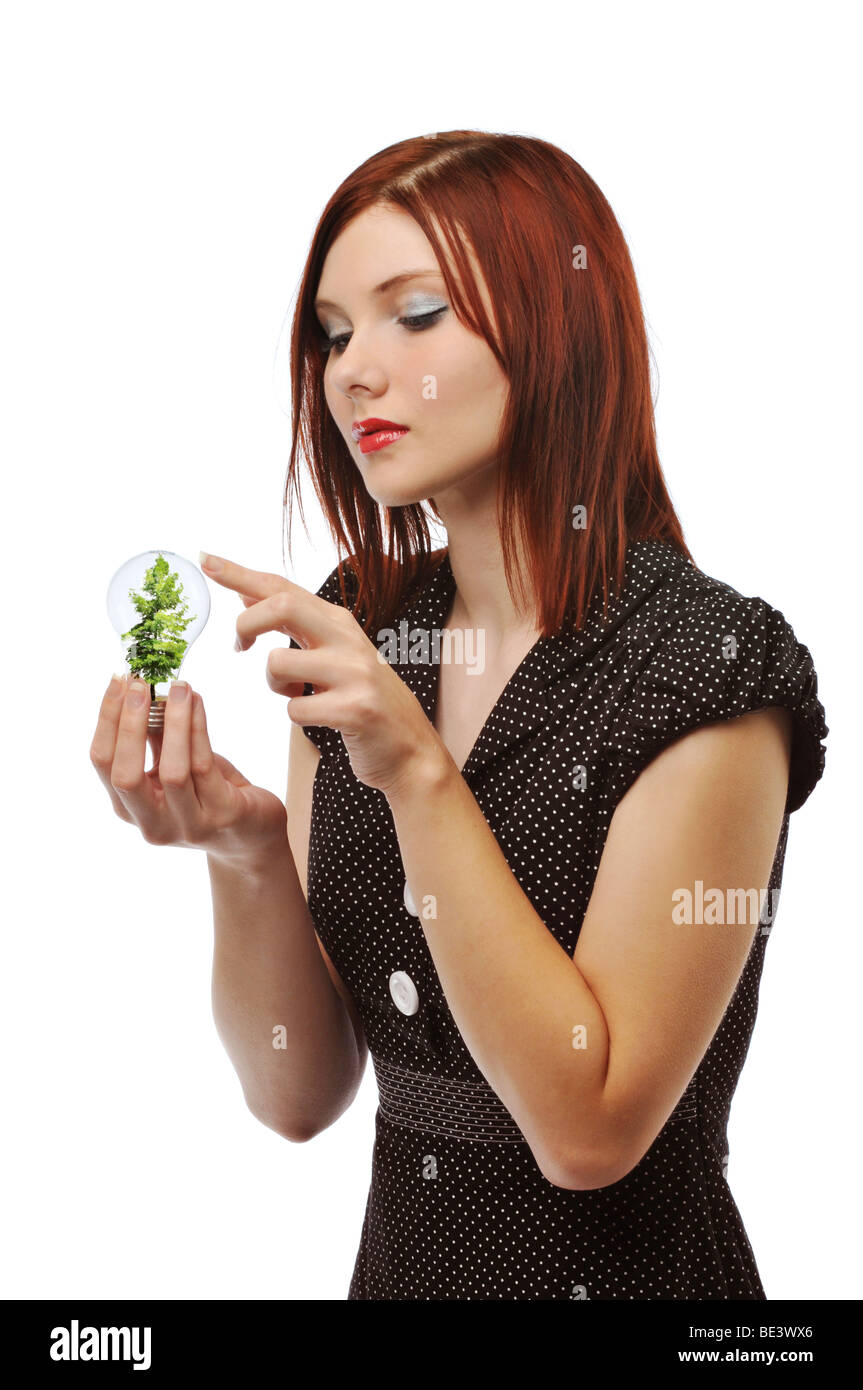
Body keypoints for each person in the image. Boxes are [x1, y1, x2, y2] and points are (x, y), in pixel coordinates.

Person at [91, 131, 828, 1300]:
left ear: (557, 325)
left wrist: (417, 771)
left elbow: (586, 1133)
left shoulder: (704, 668)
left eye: (414, 315)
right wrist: (241, 848)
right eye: (333, 333)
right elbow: (295, 1095)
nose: (350, 372)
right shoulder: (363, 625)